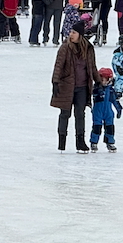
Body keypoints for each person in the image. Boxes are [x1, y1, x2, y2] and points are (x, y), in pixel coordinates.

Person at [51, 20, 99, 153]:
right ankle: (62, 141)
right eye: (70, 32)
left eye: (74, 32)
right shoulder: (65, 47)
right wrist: (55, 82)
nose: (71, 35)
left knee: (80, 114)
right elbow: (58, 66)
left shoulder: (88, 48)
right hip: (66, 85)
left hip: (82, 87)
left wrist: (98, 81)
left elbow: (92, 67)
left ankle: (80, 141)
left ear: (80, 35)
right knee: (65, 113)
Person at [89, 66, 122, 152]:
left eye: (104, 79)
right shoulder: (95, 89)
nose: (102, 81)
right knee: (97, 127)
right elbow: (88, 96)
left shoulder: (111, 91)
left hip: (108, 112)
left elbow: (115, 101)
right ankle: (94, 143)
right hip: (98, 112)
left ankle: (110, 143)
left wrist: (119, 109)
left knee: (110, 127)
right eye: (101, 79)